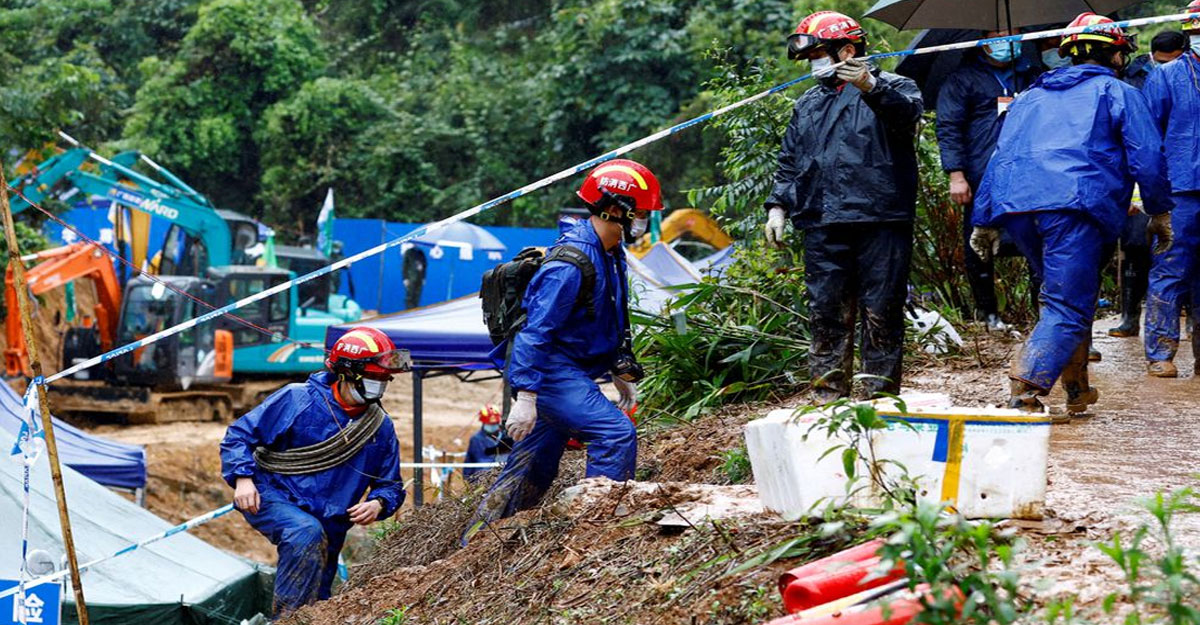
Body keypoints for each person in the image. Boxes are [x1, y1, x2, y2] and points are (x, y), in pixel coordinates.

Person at [970, 13, 1174, 412]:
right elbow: (1148, 158)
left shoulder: (1028, 97)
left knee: (1066, 294)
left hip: (1020, 207)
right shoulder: (1119, 93)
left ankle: (1077, 388)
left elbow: (999, 158)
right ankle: (1025, 391)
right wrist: (1160, 211)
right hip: (1074, 206)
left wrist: (984, 220)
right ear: (1116, 56)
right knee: (1067, 303)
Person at [461, 159, 660, 542]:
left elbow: (609, 316)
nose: (646, 221)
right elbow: (535, 333)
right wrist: (527, 395)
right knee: (615, 433)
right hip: (550, 371)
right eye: (643, 213)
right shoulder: (569, 263)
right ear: (617, 209)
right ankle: (595, 534)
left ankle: (479, 541)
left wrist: (619, 371)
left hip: (570, 370)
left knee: (533, 462)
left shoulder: (611, 250)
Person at [763, 10, 924, 402]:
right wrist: (777, 206)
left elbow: (908, 118)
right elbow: (790, 160)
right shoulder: (808, 103)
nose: (813, 64)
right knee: (826, 314)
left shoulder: (895, 86)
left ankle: (878, 400)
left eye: (818, 54)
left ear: (847, 50)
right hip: (821, 221)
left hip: (880, 217)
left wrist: (871, 87)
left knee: (881, 312)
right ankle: (827, 400)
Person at [220, 327, 408, 615]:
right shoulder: (298, 399)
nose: (379, 385)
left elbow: (391, 484)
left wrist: (379, 503)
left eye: (384, 379)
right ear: (348, 373)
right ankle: (287, 621)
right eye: (373, 377)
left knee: (318, 595)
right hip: (272, 495)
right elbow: (239, 436)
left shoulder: (379, 427)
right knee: (304, 532)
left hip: (331, 520)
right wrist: (243, 479)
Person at [936, 30, 1042, 330]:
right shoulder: (962, 79)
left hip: (1031, 174)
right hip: (982, 175)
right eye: (997, 35)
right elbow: (948, 128)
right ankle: (989, 315)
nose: (1005, 40)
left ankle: (1042, 312)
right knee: (979, 243)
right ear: (983, 40)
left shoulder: (1034, 75)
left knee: (1039, 241)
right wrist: (956, 174)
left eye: (1012, 34)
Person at [1109, 30, 1190, 338]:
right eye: (1160, 61)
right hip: (1141, 166)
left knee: (1177, 245)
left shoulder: (1190, 76)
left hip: (1177, 168)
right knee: (1134, 242)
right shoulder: (1133, 78)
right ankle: (1130, 316)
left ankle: (1183, 315)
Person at [1141, 1, 1200, 376]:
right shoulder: (1166, 77)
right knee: (1170, 268)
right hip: (1180, 189)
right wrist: (1144, 194)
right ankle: (1160, 354)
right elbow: (1147, 138)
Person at [463, 404, 513, 480]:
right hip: (482, 478)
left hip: (505, 476)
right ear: (483, 423)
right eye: (489, 424)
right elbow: (470, 461)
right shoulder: (476, 439)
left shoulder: (506, 437)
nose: (492, 426)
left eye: (494, 424)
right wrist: (469, 479)